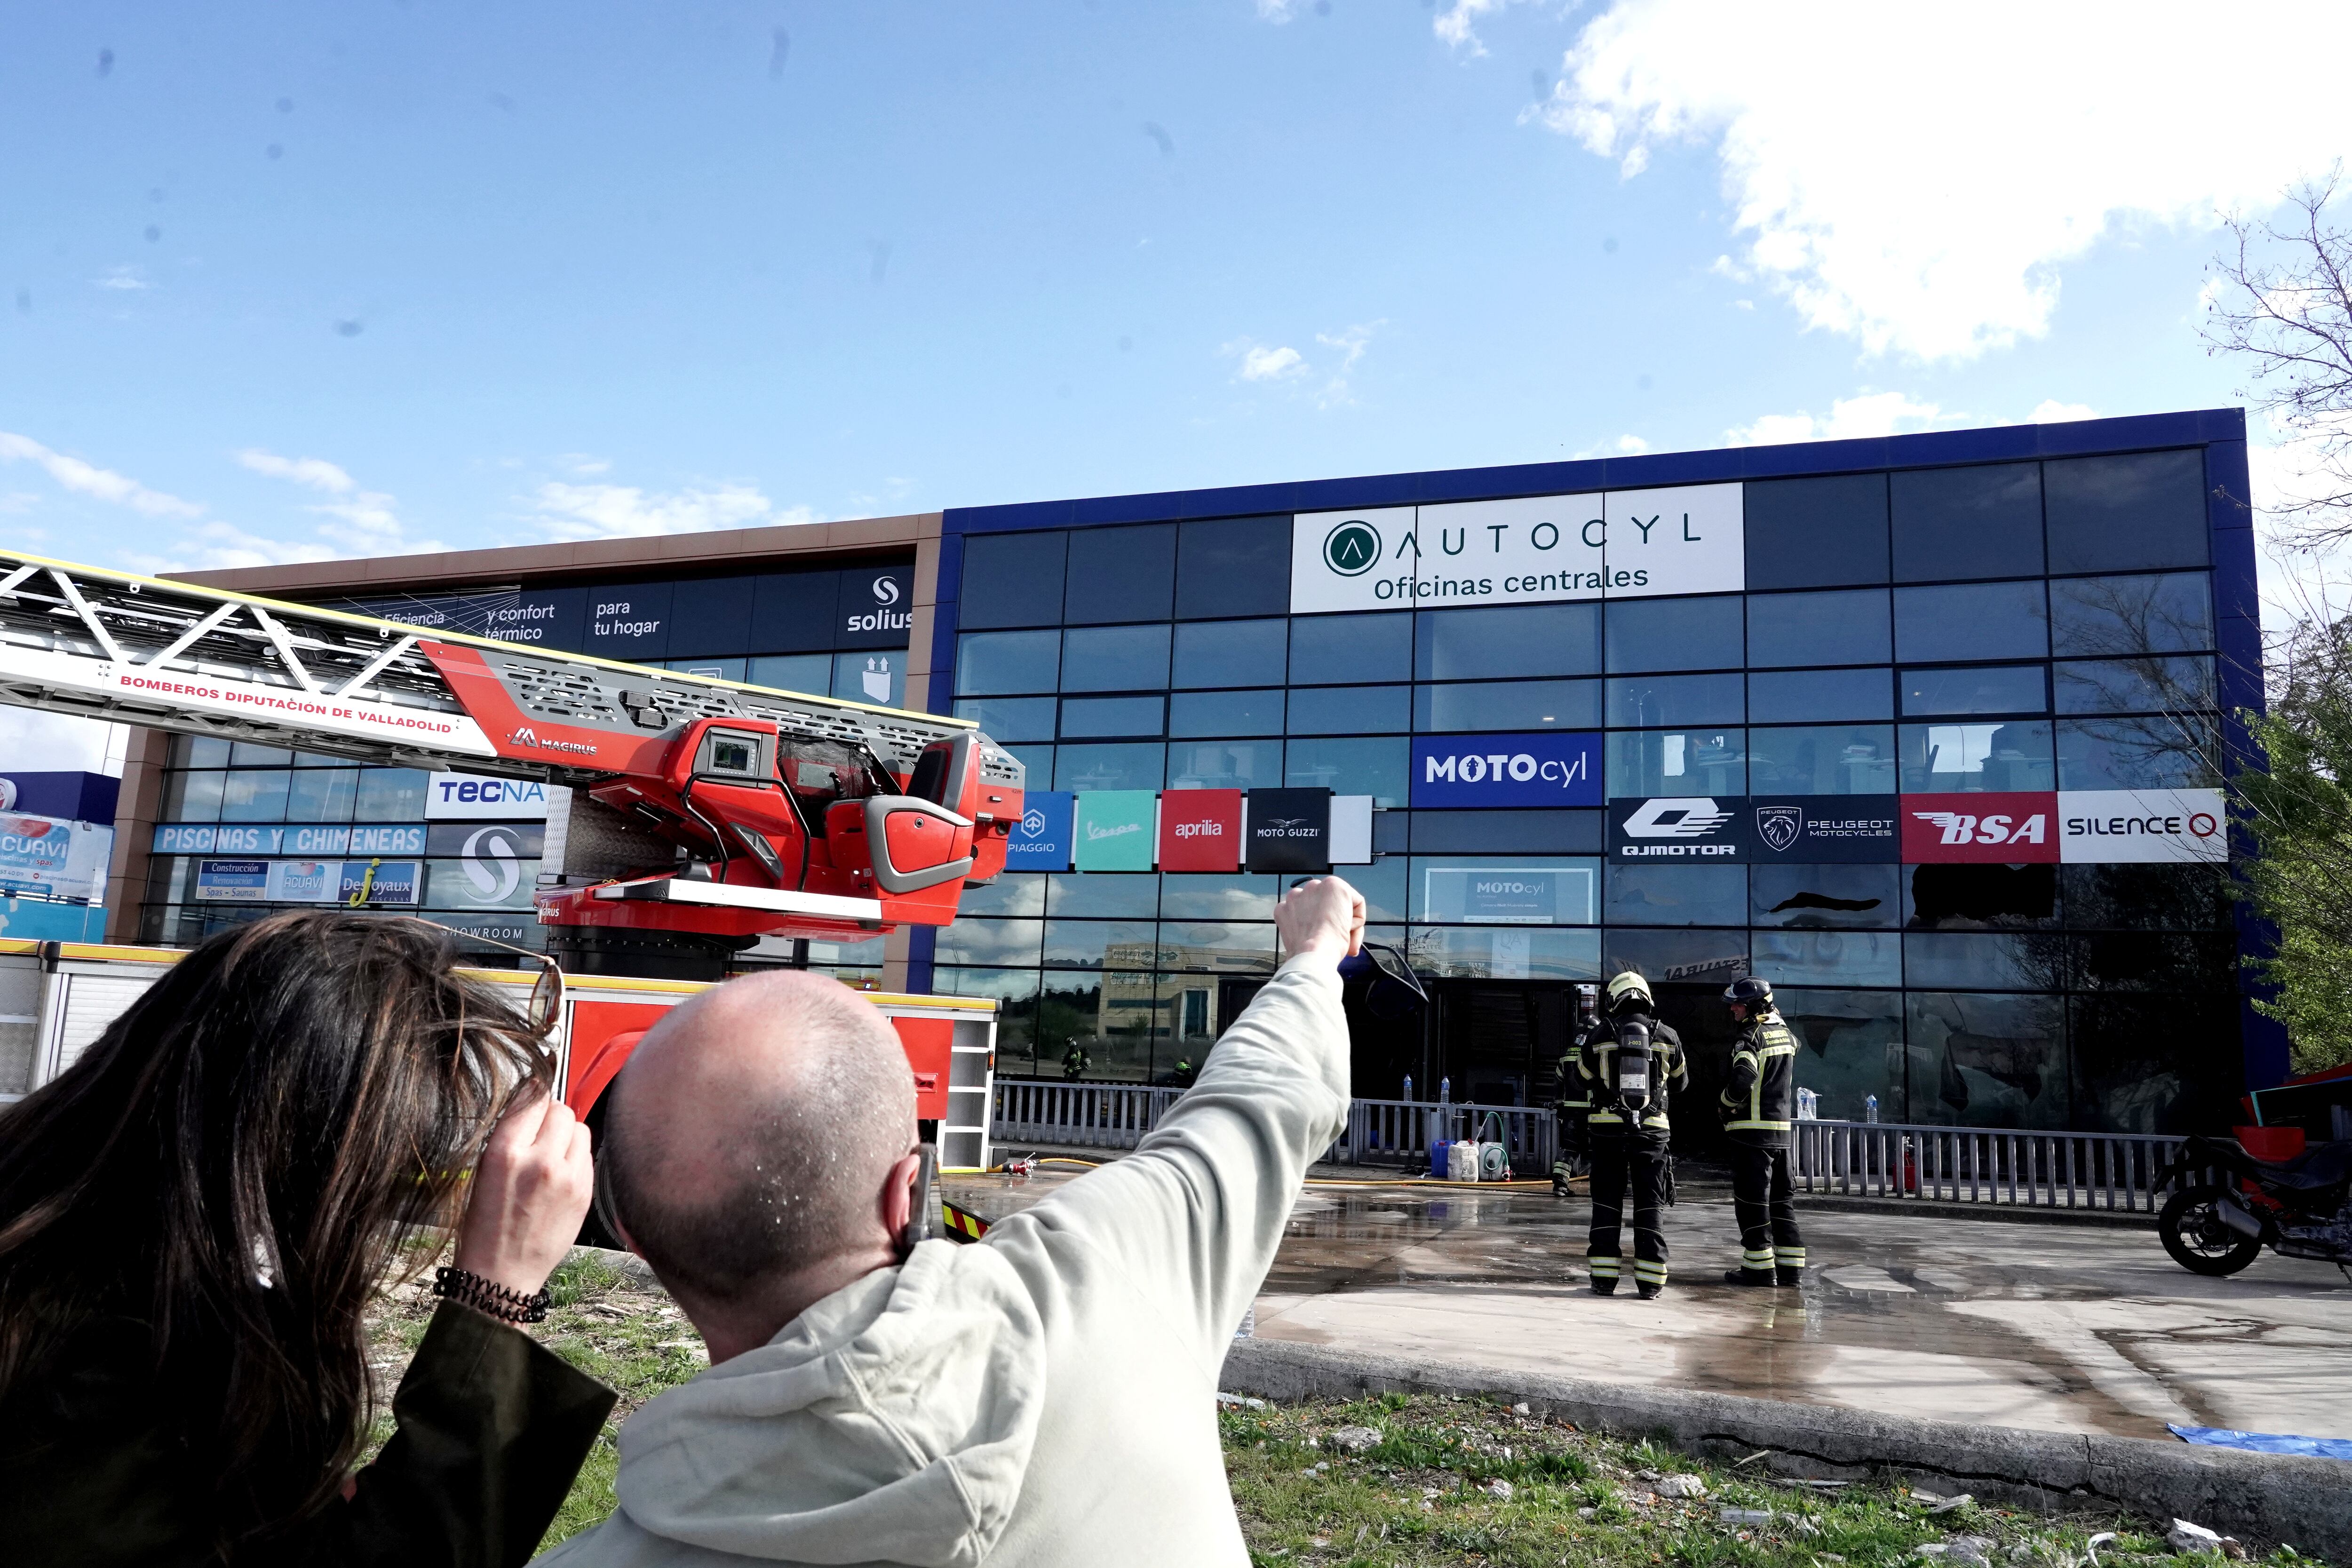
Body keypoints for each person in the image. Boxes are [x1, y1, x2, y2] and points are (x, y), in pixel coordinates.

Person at [541, 876, 1363, 1568]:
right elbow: (1260, 1095)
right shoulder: (1108, 1274)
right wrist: (1312, 956)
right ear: (907, 1191)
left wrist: (488, 1303)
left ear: (634, 1236)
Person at [0, 912, 613, 1567]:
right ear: (293, 1167)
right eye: (393, 1174)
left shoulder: (69, 1260)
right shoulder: (94, 1374)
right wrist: (497, 1291)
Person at [1577, 970, 1687, 1299]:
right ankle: (1651, 1280)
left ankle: (1604, 1279)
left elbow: (1581, 1078)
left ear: (1615, 999)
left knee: (1607, 1203)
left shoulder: (1599, 1034)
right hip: (1653, 1134)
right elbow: (1682, 1083)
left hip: (1607, 1132)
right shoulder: (1668, 1035)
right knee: (1650, 1203)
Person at [1718, 975, 1805, 1288]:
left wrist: (1725, 1104)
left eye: (1738, 1004)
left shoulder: (1751, 1035)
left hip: (1752, 1134)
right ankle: (1791, 1270)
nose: (1734, 1010)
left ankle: (1759, 1269)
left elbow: (1744, 1078)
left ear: (1754, 1005)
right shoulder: (1785, 1033)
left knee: (1753, 1202)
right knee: (1782, 1203)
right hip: (1781, 1135)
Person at [1551, 984, 1601, 1195]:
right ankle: (1600, 1188)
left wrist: (1559, 1104)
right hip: (1591, 1111)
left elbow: (1558, 1081)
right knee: (1599, 1150)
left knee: (1569, 1148)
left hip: (1570, 1112)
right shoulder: (1593, 1053)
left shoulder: (1565, 1054)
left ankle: (1560, 1185)